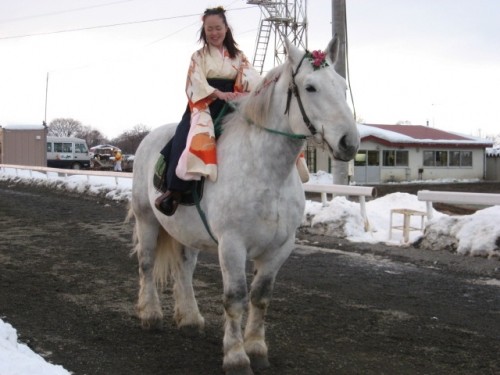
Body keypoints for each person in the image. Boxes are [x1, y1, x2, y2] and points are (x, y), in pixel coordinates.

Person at [155, 6, 260, 216]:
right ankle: (174, 192)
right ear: (204, 30)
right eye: (209, 29)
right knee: (185, 138)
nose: (214, 33)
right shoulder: (198, 56)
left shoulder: (239, 57)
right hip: (204, 105)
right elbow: (195, 82)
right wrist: (217, 93)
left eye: (218, 28)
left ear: (226, 28)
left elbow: (251, 79)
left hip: (232, 106)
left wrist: (240, 93)